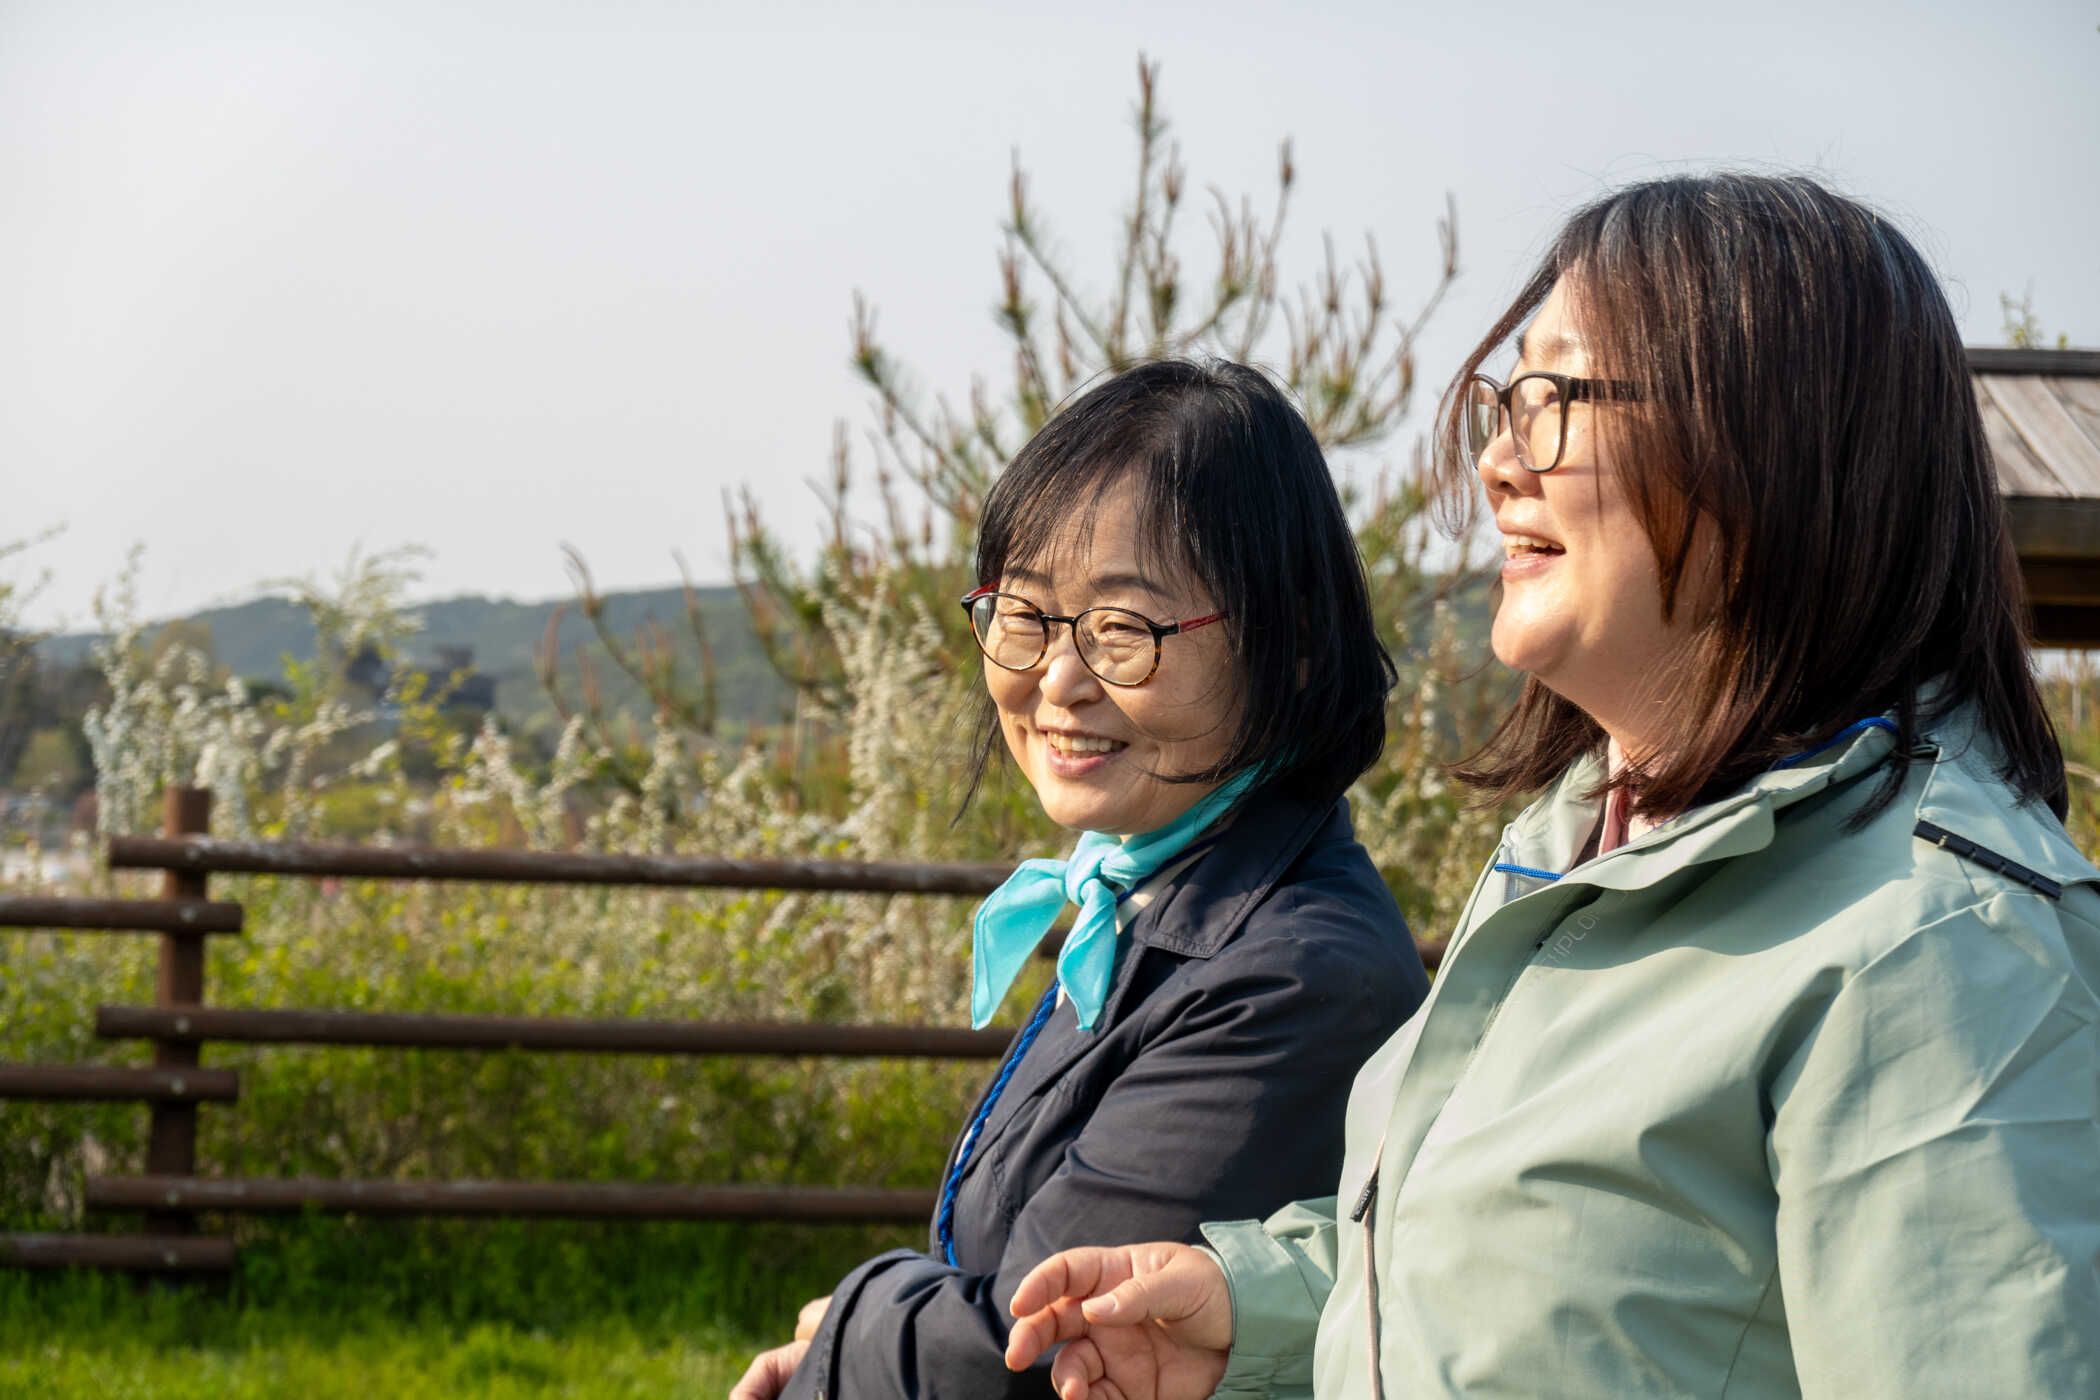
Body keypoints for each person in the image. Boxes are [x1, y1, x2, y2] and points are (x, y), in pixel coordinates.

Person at [1005, 173, 2100, 1399]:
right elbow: (1551, 1277)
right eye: (1504, 400)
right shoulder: (1583, 838)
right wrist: (1249, 1310)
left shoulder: (1943, 947)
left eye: (1556, 400)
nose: (1497, 462)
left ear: (1773, 447)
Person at [729, 359, 1431, 1400]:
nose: (1057, 681)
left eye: (1122, 629)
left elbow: (1032, 1349)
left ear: (1287, 644)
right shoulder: (1157, 893)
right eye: (1024, 616)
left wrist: (856, 1322)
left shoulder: (1293, 976)